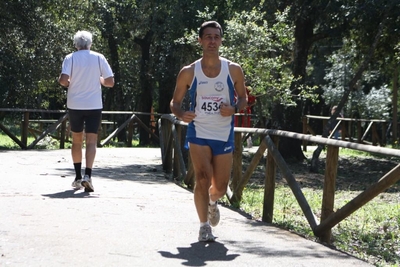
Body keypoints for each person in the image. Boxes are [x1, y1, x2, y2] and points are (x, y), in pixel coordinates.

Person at [170, 21, 247, 242]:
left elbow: (243, 99)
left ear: (221, 40)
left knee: (220, 187)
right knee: (202, 178)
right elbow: (174, 103)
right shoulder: (188, 72)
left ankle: (213, 201)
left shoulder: (233, 69)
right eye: (208, 37)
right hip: (199, 131)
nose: (212, 41)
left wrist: (233, 108)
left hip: (223, 133)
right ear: (200, 41)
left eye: (216, 37)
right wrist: (180, 113)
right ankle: (204, 226)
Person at [58, 30, 114, 192]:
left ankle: (77, 177)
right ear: (90, 44)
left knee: (76, 140)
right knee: (91, 141)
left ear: (76, 45)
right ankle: (88, 176)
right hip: (94, 105)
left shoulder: (70, 58)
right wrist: (100, 80)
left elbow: (63, 80)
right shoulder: (98, 57)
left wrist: (69, 83)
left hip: (75, 104)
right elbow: (110, 82)